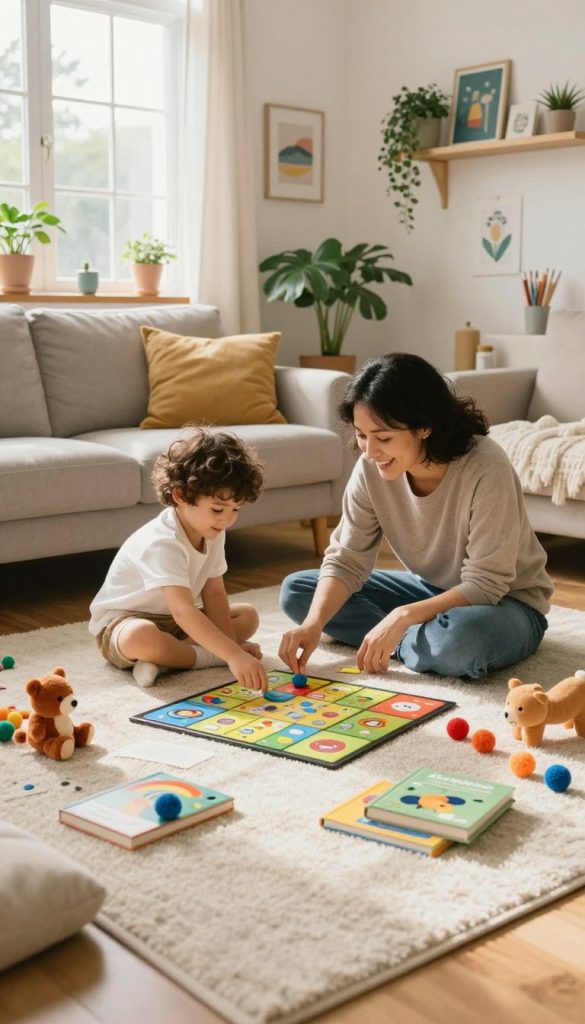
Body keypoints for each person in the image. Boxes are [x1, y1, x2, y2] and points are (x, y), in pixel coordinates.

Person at [278, 353, 552, 681]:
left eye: (383, 438)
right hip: (431, 591)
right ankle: (417, 640)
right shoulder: (370, 468)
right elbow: (346, 560)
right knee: (299, 592)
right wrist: (312, 625)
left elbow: (486, 584)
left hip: (507, 603)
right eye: (362, 434)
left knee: (463, 642)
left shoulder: (486, 468)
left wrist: (403, 616)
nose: (369, 451)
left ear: (424, 426)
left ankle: (404, 638)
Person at [90, 428, 268, 691]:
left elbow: (214, 593)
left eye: (235, 510)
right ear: (181, 496)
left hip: (175, 623)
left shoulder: (213, 530)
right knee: (143, 638)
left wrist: (230, 645)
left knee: (247, 615)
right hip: (125, 623)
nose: (227, 520)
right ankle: (204, 658)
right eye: (218, 509)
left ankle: (167, 661)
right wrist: (231, 655)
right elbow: (182, 611)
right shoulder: (162, 541)